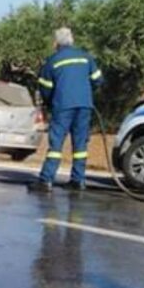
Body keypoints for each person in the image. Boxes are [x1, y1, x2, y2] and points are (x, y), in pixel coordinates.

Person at [30, 28, 104, 193]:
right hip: (84, 106)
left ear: (56, 43)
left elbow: (45, 88)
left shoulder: (53, 61)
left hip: (63, 106)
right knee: (80, 145)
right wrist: (84, 92)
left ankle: (46, 180)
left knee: (56, 144)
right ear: (72, 40)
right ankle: (78, 181)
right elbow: (98, 80)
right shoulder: (86, 57)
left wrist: (50, 103)